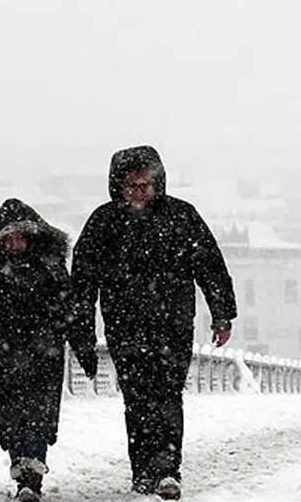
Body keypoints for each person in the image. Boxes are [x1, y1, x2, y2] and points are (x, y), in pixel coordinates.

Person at [67, 146, 236, 500]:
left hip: (172, 326)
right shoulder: (103, 223)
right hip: (124, 327)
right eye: (133, 185)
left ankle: (167, 470)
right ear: (120, 186)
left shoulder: (181, 217)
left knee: (168, 395)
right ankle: (142, 470)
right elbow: (82, 283)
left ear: (158, 183)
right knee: (137, 398)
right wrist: (82, 333)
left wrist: (222, 314)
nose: (140, 192)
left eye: (146, 184)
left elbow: (210, 266)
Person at [0, 199, 72, 502]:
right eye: (8, 238)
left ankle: (31, 477)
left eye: (20, 236)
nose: (15, 244)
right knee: (10, 418)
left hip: (42, 356)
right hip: (3, 356)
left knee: (38, 416)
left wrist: (59, 334)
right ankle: (20, 471)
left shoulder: (50, 267)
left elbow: (68, 308)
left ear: (33, 235)